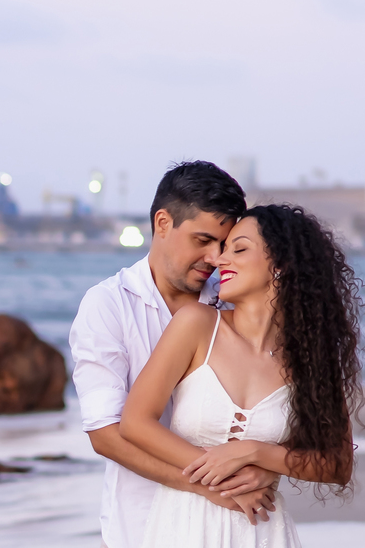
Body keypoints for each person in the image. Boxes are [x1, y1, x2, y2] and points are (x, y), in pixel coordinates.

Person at [120, 204, 363, 547]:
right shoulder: (197, 324)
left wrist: (255, 452)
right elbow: (135, 422)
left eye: (239, 249)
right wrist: (220, 478)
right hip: (183, 528)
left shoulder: (311, 358)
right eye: (224, 249)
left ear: (281, 265)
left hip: (262, 530)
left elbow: (337, 464)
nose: (220, 261)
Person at [70, 161, 278, 548]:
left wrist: (266, 464)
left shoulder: (233, 301)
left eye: (225, 244)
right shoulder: (108, 305)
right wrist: (218, 486)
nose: (215, 258)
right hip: (141, 525)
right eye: (202, 240)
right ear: (162, 223)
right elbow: (106, 434)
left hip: (242, 526)